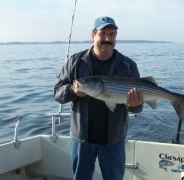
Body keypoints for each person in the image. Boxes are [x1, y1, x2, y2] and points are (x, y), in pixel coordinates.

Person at [54, 16, 144, 180]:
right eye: (103, 33)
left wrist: (136, 104)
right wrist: (72, 91)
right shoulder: (75, 62)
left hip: (114, 140)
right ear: (93, 35)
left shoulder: (128, 65)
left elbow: (137, 108)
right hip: (82, 139)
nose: (108, 39)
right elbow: (58, 93)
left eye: (112, 34)